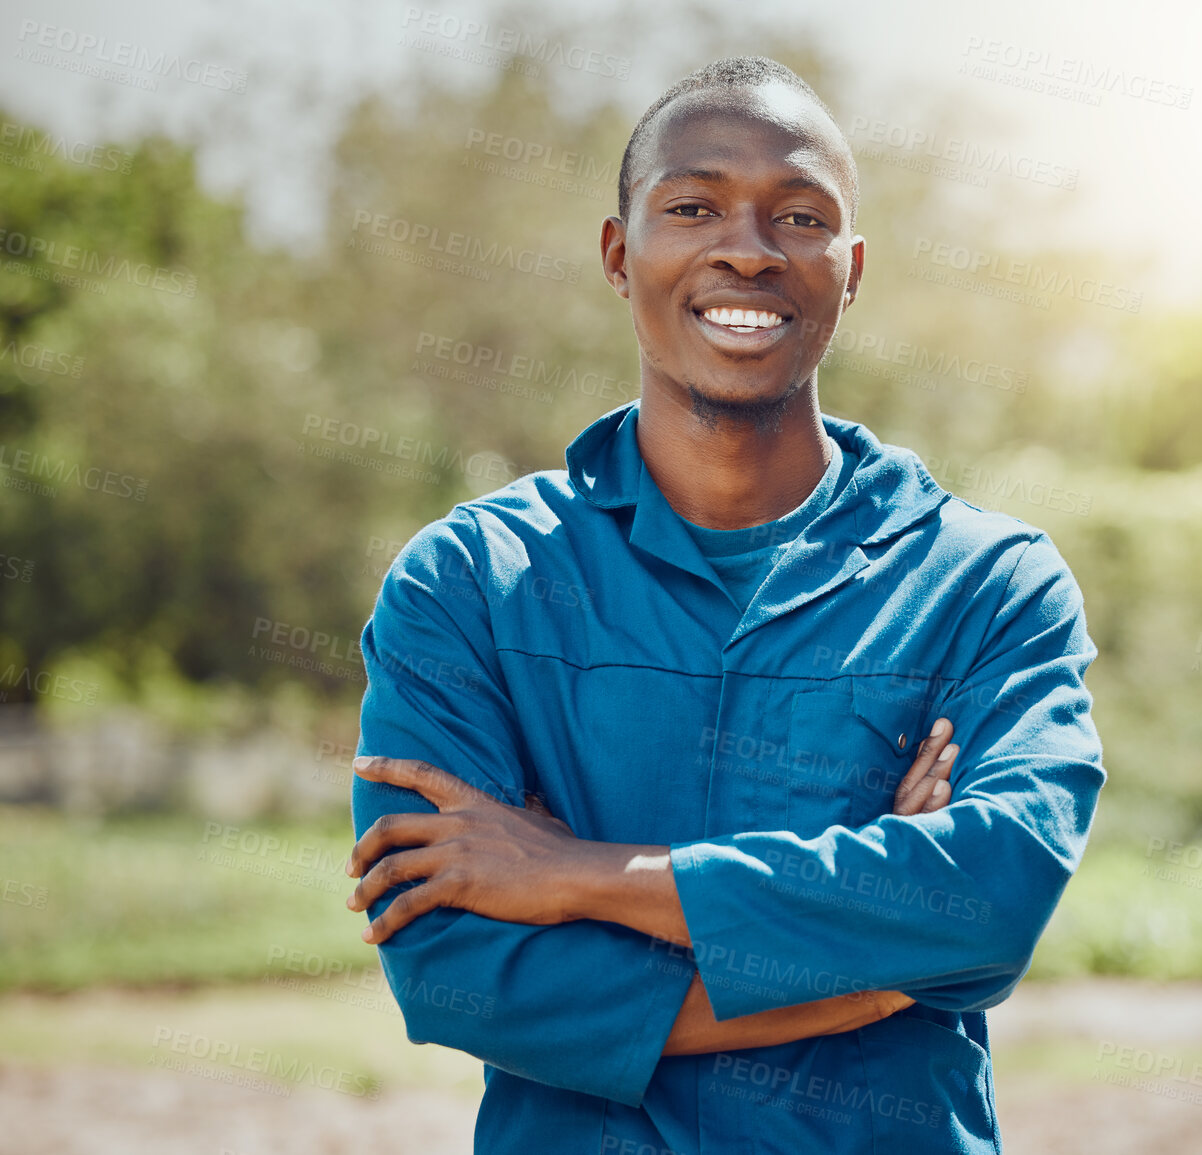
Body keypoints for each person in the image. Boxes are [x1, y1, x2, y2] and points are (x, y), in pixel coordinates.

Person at [345, 54, 1105, 1154]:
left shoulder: (989, 587)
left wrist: (575, 876)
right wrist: (863, 983)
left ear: (852, 268)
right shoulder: (469, 583)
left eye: (798, 216)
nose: (746, 249)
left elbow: (985, 904)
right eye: (693, 206)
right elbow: (454, 970)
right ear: (620, 254)